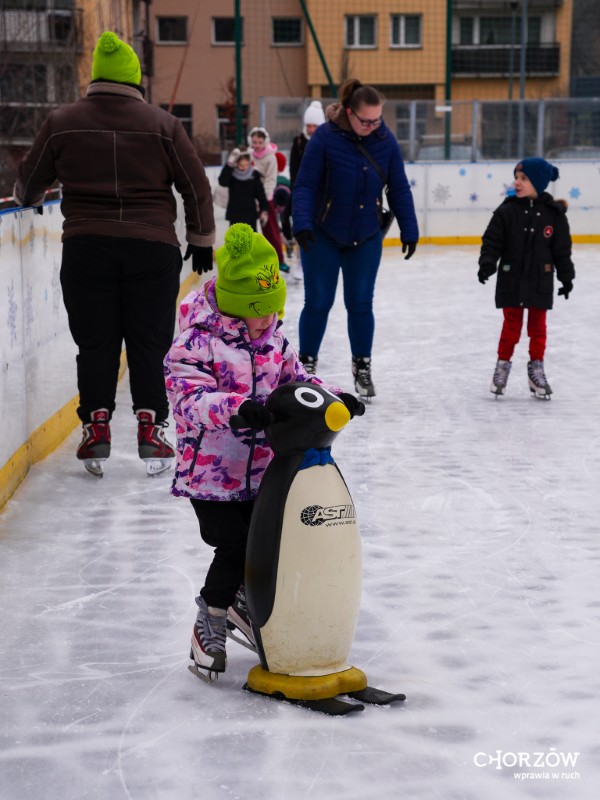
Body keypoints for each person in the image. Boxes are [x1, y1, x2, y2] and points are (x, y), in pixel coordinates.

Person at [163, 223, 363, 677]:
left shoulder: (273, 339)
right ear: (234, 306)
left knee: (264, 547)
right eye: (258, 312)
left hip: (264, 471)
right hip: (212, 475)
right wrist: (238, 409)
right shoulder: (196, 341)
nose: (267, 321)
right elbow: (187, 399)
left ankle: (241, 607)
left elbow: (298, 380)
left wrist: (333, 397)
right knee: (233, 547)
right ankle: (209, 620)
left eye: (273, 310)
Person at [13, 31, 215, 476]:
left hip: (87, 248)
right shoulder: (164, 124)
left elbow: (29, 185)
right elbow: (196, 186)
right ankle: (151, 430)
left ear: (96, 78)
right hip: (152, 247)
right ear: (134, 79)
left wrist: (24, 197)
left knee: (96, 342)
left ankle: (96, 428)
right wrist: (201, 241)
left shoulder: (61, 120)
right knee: (150, 342)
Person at [292, 78, 419, 397]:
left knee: (360, 304)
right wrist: (302, 224)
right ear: (349, 113)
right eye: (366, 120)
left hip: (365, 234)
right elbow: (305, 184)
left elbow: (399, 186)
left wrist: (409, 227)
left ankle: (362, 368)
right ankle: (306, 367)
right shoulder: (323, 138)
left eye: (377, 119)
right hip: (322, 233)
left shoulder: (385, 140)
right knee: (318, 302)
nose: (373, 126)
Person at [478, 157, 575, 399]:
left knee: (538, 328)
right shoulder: (506, 211)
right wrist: (487, 263)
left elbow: (561, 250)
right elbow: (492, 241)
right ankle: (502, 366)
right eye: (517, 178)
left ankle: (536, 369)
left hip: (540, 281)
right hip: (512, 278)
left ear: (539, 183)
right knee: (511, 326)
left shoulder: (554, 215)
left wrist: (566, 277)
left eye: (524, 179)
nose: (517, 183)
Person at [247, 126, 285, 269]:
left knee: (270, 229)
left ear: (265, 142)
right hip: (250, 196)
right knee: (248, 228)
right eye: (254, 142)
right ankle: (251, 259)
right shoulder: (249, 154)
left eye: (260, 142)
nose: (257, 145)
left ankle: (277, 258)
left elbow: (270, 179)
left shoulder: (270, 157)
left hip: (265, 197)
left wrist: (266, 198)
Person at [218, 146, 269, 230]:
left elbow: (261, 194)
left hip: (250, 215)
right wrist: (229, 165)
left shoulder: (254, 174)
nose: (244, 168)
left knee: (251, 241)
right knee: (236, 242)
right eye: (241, 165)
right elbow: (222, 182)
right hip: (235, 215)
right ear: (236, 163)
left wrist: (264, 210)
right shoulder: (231, 174)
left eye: (246, 164)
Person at [289, 100, 326, 188]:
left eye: (315, 126)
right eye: (309, 126)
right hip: (303, 185)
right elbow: (293, 167)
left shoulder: (326, 142)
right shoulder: (299, 141)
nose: (312, 130)